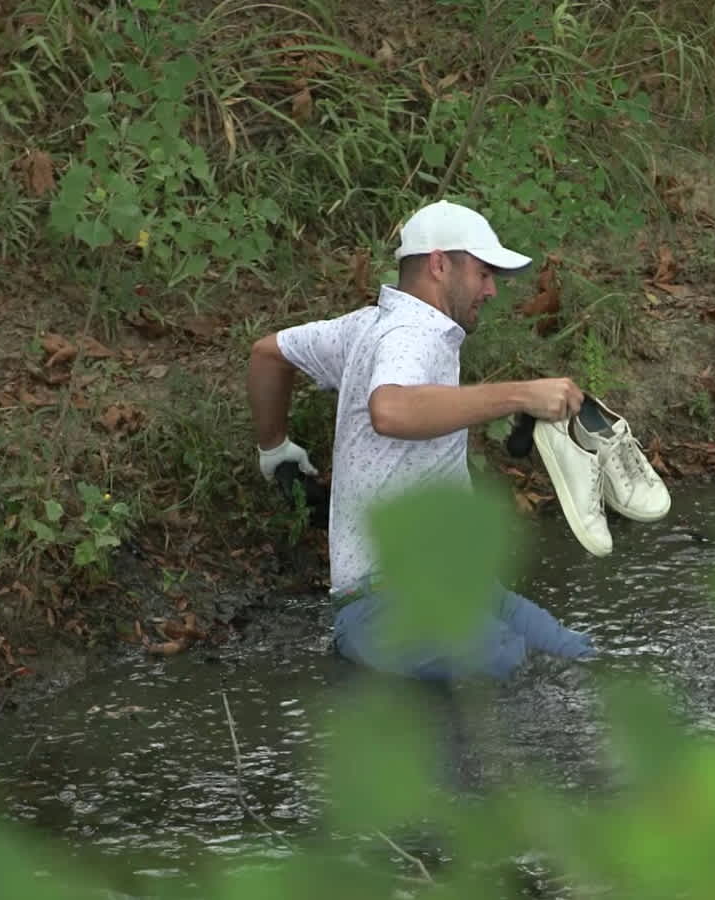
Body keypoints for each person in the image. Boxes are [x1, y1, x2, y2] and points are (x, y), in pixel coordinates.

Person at [246, 200, 597, 683]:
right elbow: (391, 409)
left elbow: (268, 354)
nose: (492, 289)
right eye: (483, 273)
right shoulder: (414, 334)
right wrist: (520, 394)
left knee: (572, 655)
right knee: (518, 668)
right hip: (387, 603)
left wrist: (275, 449)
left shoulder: (366, 326)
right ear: (438, 264)